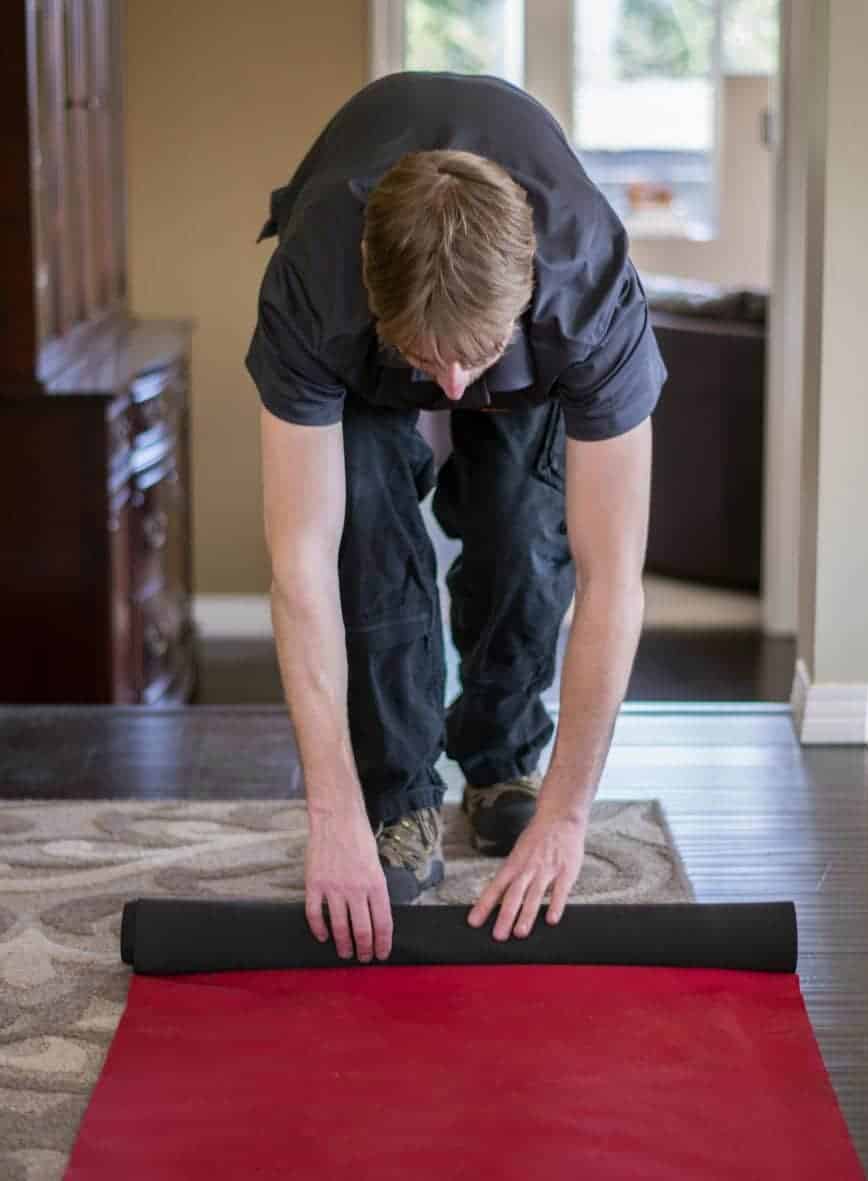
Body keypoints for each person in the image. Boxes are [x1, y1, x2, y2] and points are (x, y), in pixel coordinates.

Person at [245, 71, 667, 965]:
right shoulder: (314, 285)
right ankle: (397, 801)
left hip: (530, 348)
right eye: (424, 362)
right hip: (357, 341)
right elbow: (299, 565)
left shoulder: (589, 296)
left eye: (469, 364)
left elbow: (612, 582)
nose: (448, 394)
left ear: (525, 300)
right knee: (365, 534)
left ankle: (503, 755)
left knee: (522, 525)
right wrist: (335, 814)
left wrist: (566, 815)